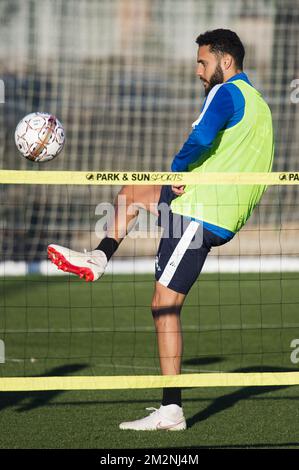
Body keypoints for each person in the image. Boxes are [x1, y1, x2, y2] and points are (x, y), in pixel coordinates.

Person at [48, 29, 274, 431]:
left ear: (226, 62)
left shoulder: (225, 94)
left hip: (203, 210)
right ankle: (99, 256)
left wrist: (177, 171)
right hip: (214, 207)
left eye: (203, 62)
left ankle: (171, 409)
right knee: (133, 193)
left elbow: (201, 137)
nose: (197, 71)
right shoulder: (259, 103)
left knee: (163, 304)